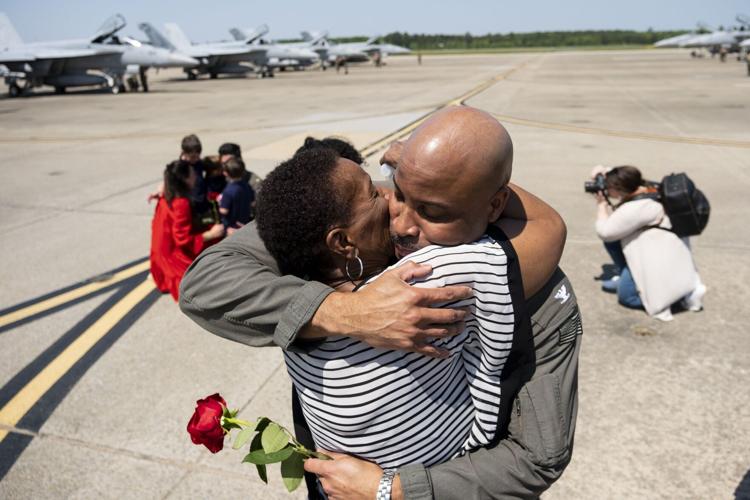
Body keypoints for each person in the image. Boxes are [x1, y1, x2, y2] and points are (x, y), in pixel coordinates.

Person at [180, 109, 581, 499]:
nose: (400, 218)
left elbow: (537, 457)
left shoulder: (504, 279)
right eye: (393, 190)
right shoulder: (356, 234)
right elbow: (204, 281)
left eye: (432, 210)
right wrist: (349, 313)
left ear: (494, 205)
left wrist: (390, 490)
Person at [592, 165, 705, 321]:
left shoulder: (637, 207)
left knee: (626, 296)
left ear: (617, 189)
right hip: (668, 250)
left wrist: (601, 206)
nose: (605, 189)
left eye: (607, 186)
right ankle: (633, 276)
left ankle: (677, 297)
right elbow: (622, 176)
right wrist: (601, 173)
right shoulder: (648, 188)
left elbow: (605, 232)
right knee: (614, 242)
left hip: (658, 258)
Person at [150, 160, 225, 301]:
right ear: (185, 179)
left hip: (162, 242)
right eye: (192, 173)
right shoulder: (181, 203)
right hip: (173, 252)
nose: (196, 176)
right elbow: (182, 239)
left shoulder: (169, 190)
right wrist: (211, 234)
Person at [219, 158, 255, 234]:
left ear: (225, 173)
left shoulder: (228, 191)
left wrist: (219, 201)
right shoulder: (246, 185)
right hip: (244, 222)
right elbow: (253, 203)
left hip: (232, 226)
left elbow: (224, 211)